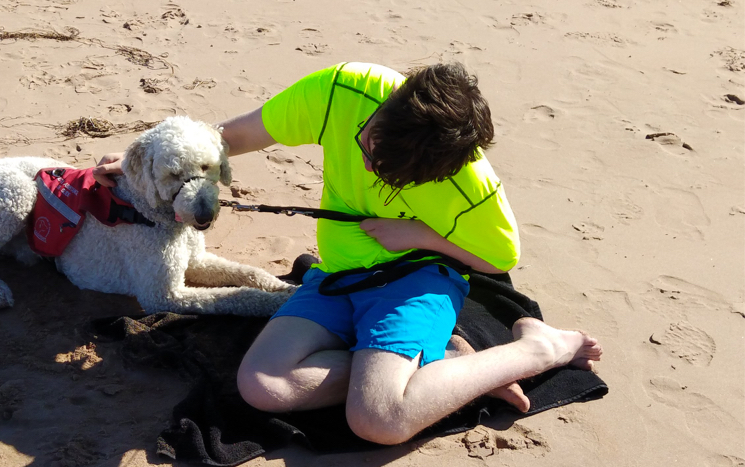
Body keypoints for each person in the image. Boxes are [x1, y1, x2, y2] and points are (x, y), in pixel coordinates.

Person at [93, 62, 602, 445]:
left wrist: (421, 236)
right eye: (367, 142)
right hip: (338, 275)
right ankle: (438, 372)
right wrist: (138, 160)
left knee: (377, 419)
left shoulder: (471, 184)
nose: (364, 159)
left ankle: (537, 348)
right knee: (261, 386)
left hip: (415, 279)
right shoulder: (343, 90)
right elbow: (237, 135)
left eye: (384, 167)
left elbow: (498, 258)